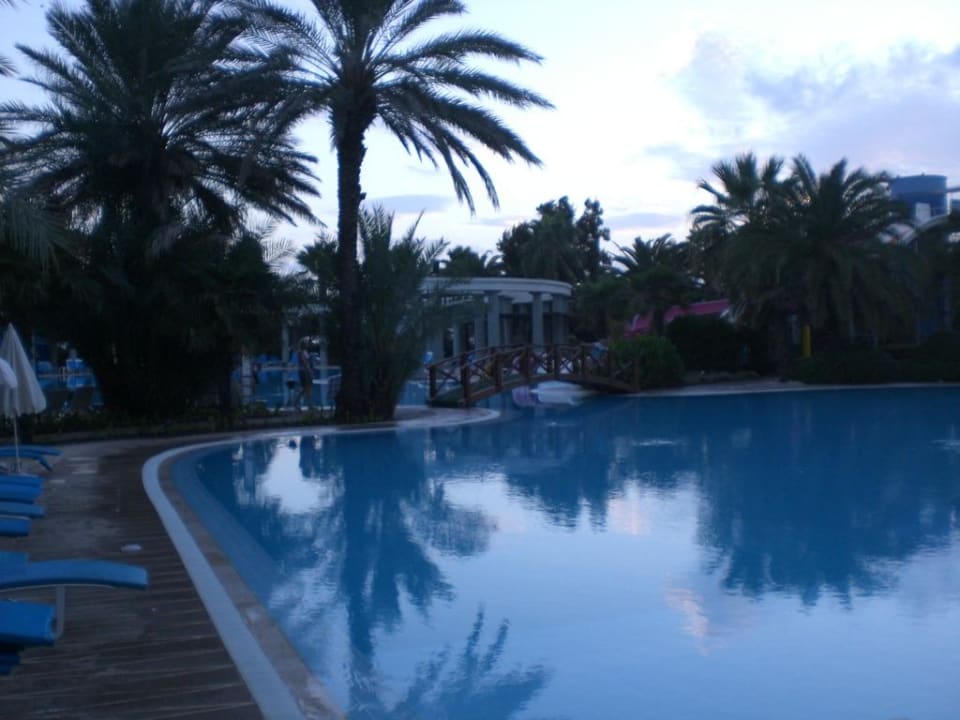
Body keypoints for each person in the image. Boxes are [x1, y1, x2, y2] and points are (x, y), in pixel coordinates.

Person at [294, 341, 313, 409]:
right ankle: (309, 405)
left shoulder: (302, 352)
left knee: (306, 389)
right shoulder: (301, 353)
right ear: (304, 345)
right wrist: (309, 371)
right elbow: (305, 363)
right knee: (307, 388)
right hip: (305, 372)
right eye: (305, 344)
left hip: (303, 372)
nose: (306, 345)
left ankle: (298, 402)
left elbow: (305, 362)